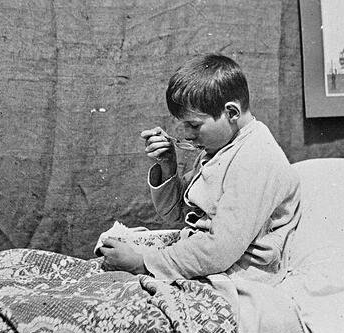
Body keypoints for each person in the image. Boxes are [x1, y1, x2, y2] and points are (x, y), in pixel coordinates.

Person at [98, 53, 301, 287]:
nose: (187, 134)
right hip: (208, 262)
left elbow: (220, 249)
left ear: (232, 113)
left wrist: (142, 263)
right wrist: (168, 166)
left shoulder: (257, 159)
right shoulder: (223, 147)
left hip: (238, 275)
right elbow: (175, 213)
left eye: (193, 124)